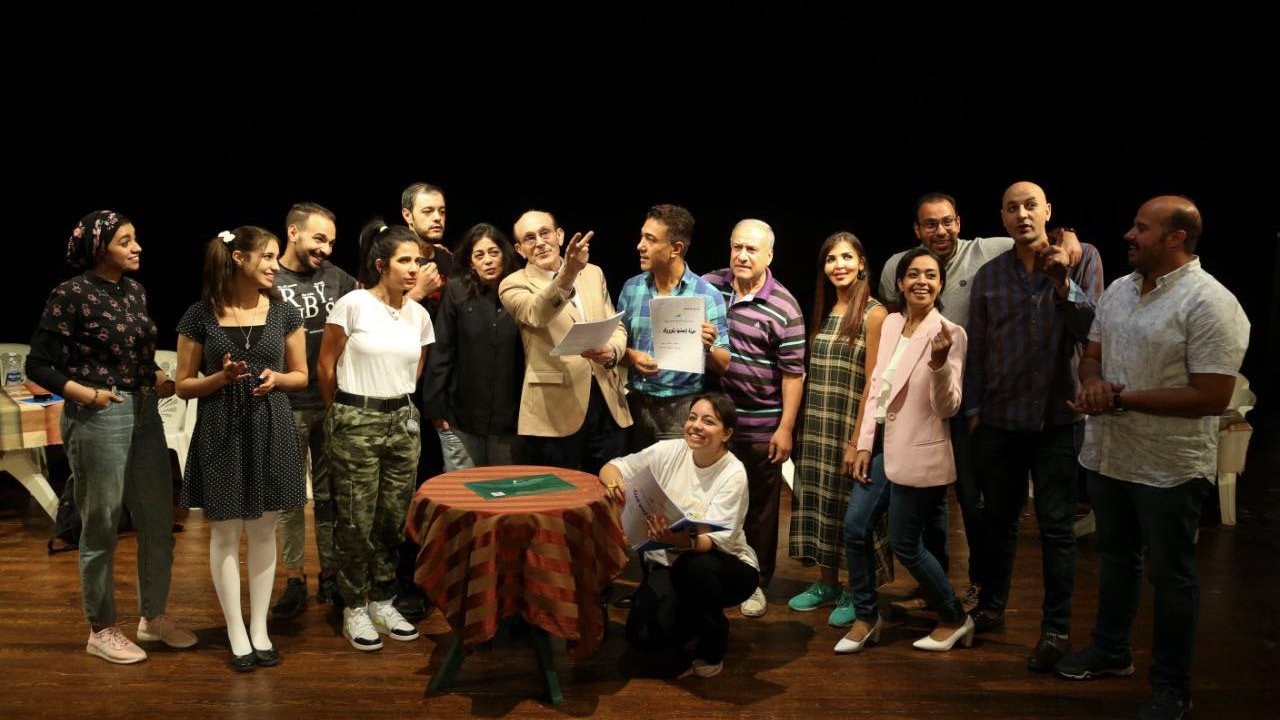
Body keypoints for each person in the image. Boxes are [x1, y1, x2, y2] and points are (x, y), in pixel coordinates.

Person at [1056, 196, 1249, 720]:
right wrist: (1093, 384)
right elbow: (1092, 354)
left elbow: (1210, 396)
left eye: (1142, 228)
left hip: (1168, 467)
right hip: (1111, 455)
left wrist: (1120, 400)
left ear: (1176, 238)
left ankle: (1171, 686)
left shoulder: (1211, 303)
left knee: (1171, 576)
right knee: (1117, 561)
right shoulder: (1120, 289)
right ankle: (1111, 652)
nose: (1129, 235)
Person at [27, 210, 196, 664]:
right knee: (101, 525)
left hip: (144, 411)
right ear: (99, 248)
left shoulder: (134, 291)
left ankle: (152, 617)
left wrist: (158, 377)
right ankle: (100, 629)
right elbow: (38, 364)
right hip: (98, 413)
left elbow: (136, 355)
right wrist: (86, 394)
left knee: (158, 522)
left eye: (136, 238)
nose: (137, 247)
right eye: (125, 241)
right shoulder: (70, 294)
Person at [964, 181, 1104, 671]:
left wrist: (1062, 279)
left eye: (1030, 206)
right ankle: (991, 606)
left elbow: (1092, 329)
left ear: (1048, 210)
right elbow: (978, 347)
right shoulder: (990, 274)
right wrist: (975, 410)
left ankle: (1056, 628)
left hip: (1057, 418)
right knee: (998, 521)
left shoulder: (1081, 259)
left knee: (1057, 527)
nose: (1022, 215)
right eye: (1012, 208)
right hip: (1000, 418)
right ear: (1003, 218)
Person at [175, 226, 308, 670]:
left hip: (271, 426)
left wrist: (277, 378)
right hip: (221, 429)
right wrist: (221, 378)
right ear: (238, 258)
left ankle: (259, 628)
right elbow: (183, 385)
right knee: (226, 533)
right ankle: (235, 630)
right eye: (267, 257)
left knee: (265, 530)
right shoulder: (200, 315)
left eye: (275, 257)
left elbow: (301, 376)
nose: (274, 265)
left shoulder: (284, 312)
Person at [843, 248, 971, 653]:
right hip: (882, 444)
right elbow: (877, 389)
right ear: (899, 282)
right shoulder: (892, 323)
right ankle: (867, 617)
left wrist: (939, 364)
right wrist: (865, 443)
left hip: (919, 449)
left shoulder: (950, 333)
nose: (921, 281)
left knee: (905, 544)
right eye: (913, 274)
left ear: (941, 284)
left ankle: (955, 616)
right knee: (855, 528)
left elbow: (949, 407)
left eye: (931, 275)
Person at [317, 221, 434, 652]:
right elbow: (325, 365)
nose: (413, 268)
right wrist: (342, 412)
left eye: (417, 260)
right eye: (405, 260)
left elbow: (415, 371)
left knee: (392, 518)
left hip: (402, 420)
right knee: (355, 519)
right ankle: (353, 605)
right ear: (381, 264)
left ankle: (382, 599)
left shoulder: (419, 315)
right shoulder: (353, 305)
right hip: (356, 417)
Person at [600, 394, 757, 679]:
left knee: (695, 568)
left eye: (708, 421)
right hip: (670, 561)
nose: (696, 426)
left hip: (724, 564)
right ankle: (688, 629)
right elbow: (613, 466)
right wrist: (615, 485)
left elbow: (709, 542)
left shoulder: (733, 472)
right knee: (642, 636)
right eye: (692, 417)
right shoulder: (670, 450)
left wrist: (673, 539)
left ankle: (713, 639)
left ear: (726, 434)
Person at [787, 231, 893, 629]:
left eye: (847, 257)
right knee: (822, 504)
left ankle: (856, 588)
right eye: (831, 259)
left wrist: (857, 441)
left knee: (851, 510)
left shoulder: (875, 313)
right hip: (818, 425)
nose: (839, 265)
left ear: (862, 263)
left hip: (851, 426)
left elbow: (874, 384)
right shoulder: (826, 309)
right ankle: (827, 583)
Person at [701, 219, 805, 617]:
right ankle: (715, 575)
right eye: (737, 247)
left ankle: (755, 582)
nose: (742, 256)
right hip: (714, 425)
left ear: (769, 256)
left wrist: (785, 427)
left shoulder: (785, 306)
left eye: (752, 249)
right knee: (713, 502)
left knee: (759, 509)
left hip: (761, 425)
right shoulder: (710, 287)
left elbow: (793, 374)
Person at [270, 202, 356, 618]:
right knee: (289, 498)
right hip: (285, 404)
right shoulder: (268, 278)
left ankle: (330, 575)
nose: (326, 248)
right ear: (293, 232)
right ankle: (294, 579)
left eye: (332, 242)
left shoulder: (340, 279)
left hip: (331, 402)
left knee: (329, 496)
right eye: (319, 238)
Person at [499, 210, 632, 472]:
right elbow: (537, 313)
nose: (539, 242)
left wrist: (613, 351)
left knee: (610, 485)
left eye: (545, 233)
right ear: (520, 249)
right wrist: (568, 272)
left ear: (559, 236)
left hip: (606, 400)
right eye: (529, 238)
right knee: (561, 490)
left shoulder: (593, 273)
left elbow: (616, 325)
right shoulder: (512, 284)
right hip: (554, 410)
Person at [616, 204, 730, 450]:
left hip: (680, 411)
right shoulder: (631, 288)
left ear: (675, 249)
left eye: (650, 239)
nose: (640, 246)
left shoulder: (706, 294)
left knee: (676, 475)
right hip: (634, 407)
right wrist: (631, 356)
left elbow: (723, 364)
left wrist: (707, 347)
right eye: (642, 236)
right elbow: (616, 348)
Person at [423, 223, 524, 468]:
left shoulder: (522, 292)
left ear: (505, 255)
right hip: (461, 417)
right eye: (479, 255)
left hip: (511, 418)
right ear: (470, 262)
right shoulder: (456, 291)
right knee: (462, 488)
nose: (487, 260)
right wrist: (436, 409)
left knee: (506, 488)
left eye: (494, 253)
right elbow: (442, 350)